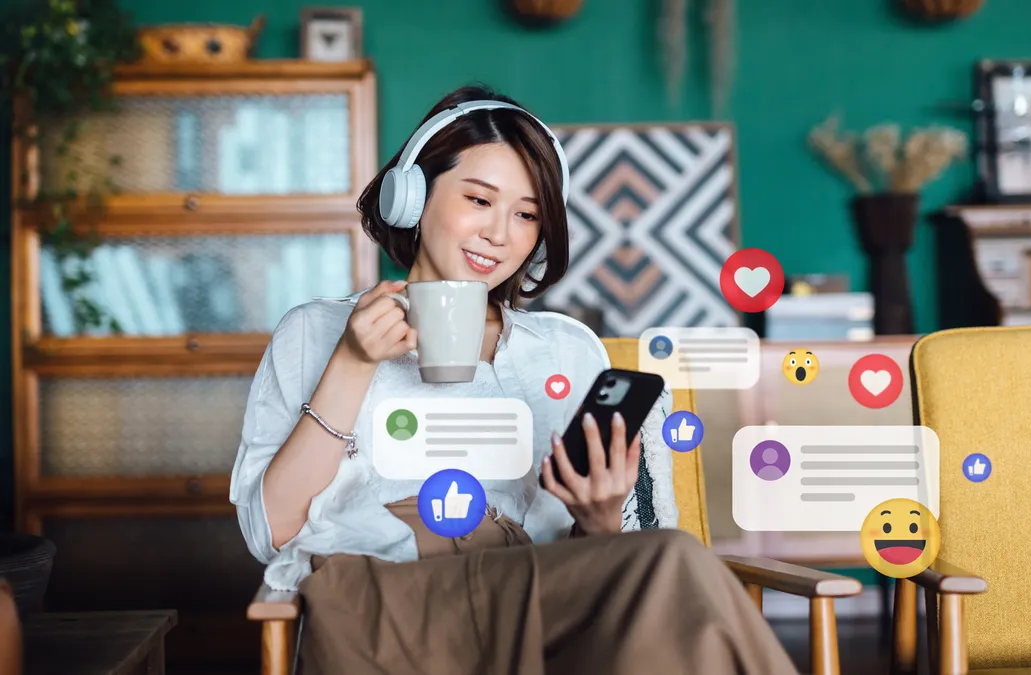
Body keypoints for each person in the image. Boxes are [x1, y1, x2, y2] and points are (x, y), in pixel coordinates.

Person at [230, 84, 799, 675]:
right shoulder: (316, 331)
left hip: (533, 594)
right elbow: (270, 532)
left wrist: (600, 517)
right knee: (675, 568)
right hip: (380, 596)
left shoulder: (564, 349)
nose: (500, 234)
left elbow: (625, 551)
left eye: (526, 214)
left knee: (669, 562)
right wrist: (352, 361)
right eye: (479, 200)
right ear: (413, 196)